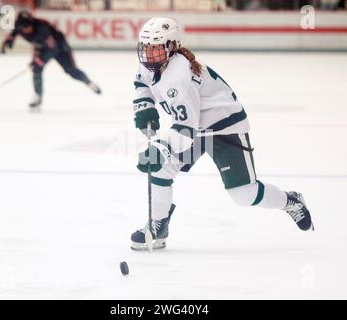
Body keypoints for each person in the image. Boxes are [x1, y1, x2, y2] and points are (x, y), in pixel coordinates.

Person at [130, 17, 314, 251]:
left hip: (225, 128)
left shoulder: (179, 76)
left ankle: (291, 201)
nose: (149, 54)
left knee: (244, 195)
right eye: (146, 47)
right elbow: (142, 83)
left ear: (172, 47)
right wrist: (145, 107)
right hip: (195, 127)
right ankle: (158, 227)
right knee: (163, 169)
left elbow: (186, 130)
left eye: (155, 48)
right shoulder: (152, 64)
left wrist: (160, 148)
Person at [1, 10, 101, 111]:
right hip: (41, 46)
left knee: (71, 70)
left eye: (28, 26)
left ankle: (88, 81)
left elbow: (53, 49)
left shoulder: (42, 28)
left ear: (32, 23)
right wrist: (10, 39)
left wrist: (41, 60)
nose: (26, 29)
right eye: (23, 27)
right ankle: (37, 96)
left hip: (60, 48)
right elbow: (14, 32)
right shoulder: (19, 27)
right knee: (36, 69)